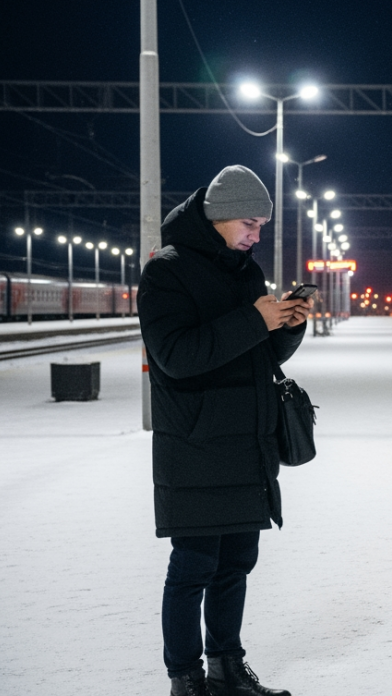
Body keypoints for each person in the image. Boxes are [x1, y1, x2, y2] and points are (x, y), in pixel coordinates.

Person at [139, 165, 312, 696]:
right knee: (193, 566)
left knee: (236, 563)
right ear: (217, 216)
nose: (258, 234)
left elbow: (255, 357)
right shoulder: (166, 272)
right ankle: (185, 679)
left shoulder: (245, 273)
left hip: (245, 444)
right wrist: (255, 321)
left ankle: (226, 668)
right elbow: (177, 357)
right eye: (251, 223)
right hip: (195, 447)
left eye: (262, 224)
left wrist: (288, 325)